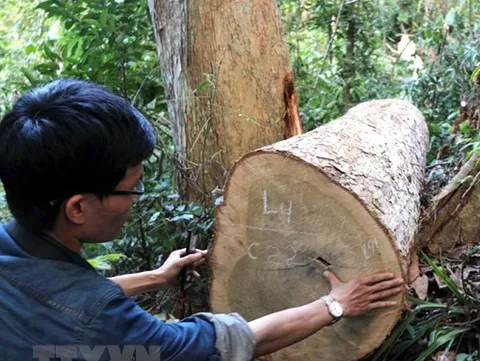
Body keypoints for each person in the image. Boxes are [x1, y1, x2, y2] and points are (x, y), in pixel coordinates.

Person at [0, 79, 405, 361]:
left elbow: (56, 296)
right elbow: (222, 343)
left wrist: (156, 277)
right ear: (77, 208)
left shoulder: (13, 246)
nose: (135, 201)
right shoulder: (106, 326)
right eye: (131, 189)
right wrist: (333, 306)